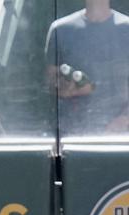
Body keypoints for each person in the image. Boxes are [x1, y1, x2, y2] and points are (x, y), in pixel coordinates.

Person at [45, 0, 129, 135]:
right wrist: (67, 88)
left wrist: (125, 119)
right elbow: (50, 84)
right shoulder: (60, 30)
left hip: (121, 138)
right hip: (72, 136)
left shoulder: (126, 29)